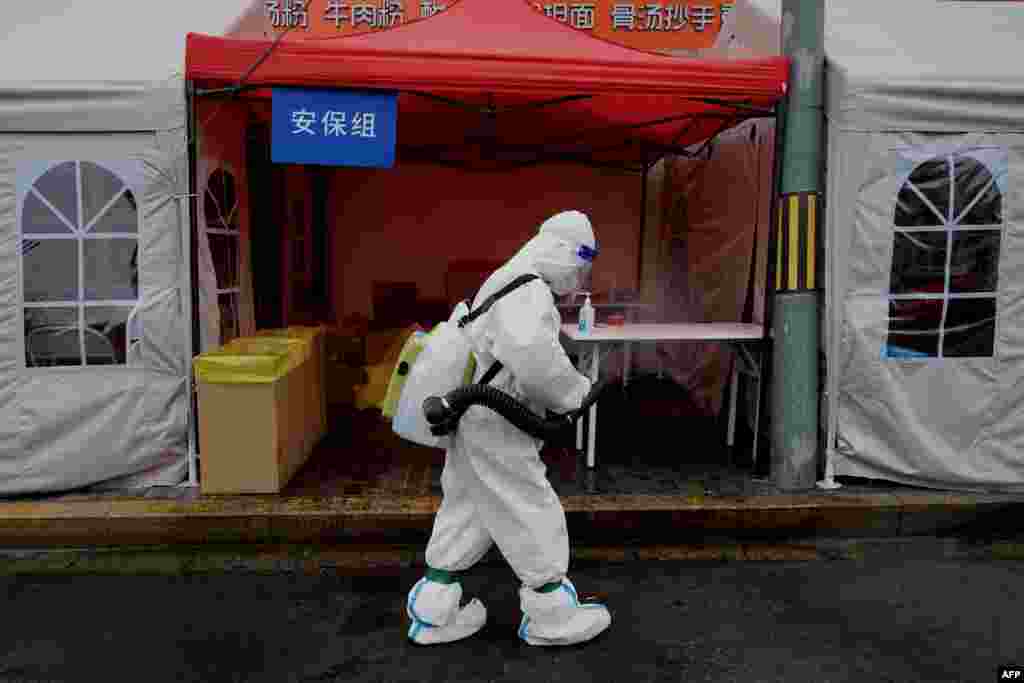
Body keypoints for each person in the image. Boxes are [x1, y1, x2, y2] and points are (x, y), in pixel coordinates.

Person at [405, 210, 611, 647]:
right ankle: (552, 614)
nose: (580, 274)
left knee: (468, 508)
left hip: (474, 418)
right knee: (528, 505)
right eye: (580, 262)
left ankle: (434, 612)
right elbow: (533, 358)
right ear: (558, 250)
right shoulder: (528, 288)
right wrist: (575, 392)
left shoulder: (507, 278)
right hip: (495, 420)